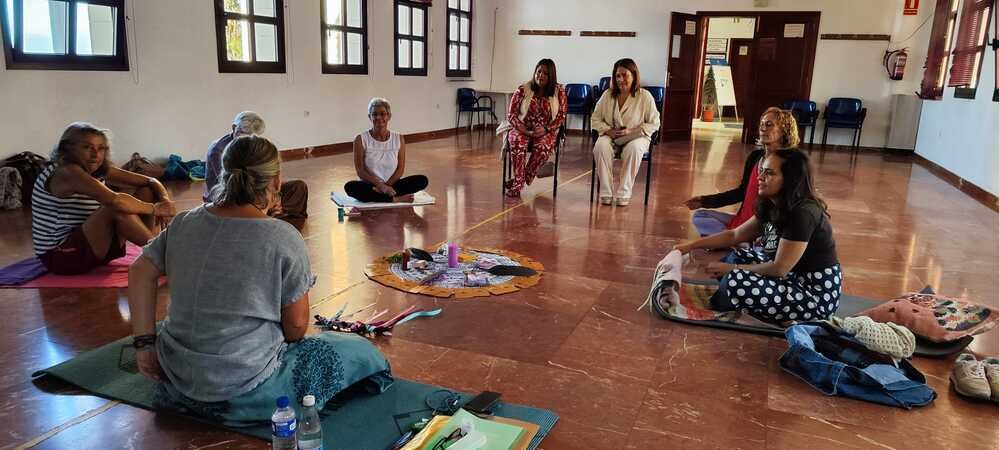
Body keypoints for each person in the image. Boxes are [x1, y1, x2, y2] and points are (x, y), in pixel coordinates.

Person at [129, 135, 392, 425]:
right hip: (246, 388)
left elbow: (140, 270)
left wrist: (145, 345)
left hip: (175, 380)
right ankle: (235, 406)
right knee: (360, 353)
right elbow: (294, 329)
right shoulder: (282, 236)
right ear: (276, 180)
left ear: (222, 173)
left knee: (173, 327)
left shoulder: (185, 221)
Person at [672, 150, 840, 325]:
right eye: (762, 170)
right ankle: (752, 306)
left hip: (813, 295)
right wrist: (689, 246)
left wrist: (733, 269)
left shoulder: (803, 213)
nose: (760, 177)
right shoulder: (771, 204)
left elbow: (779, 269)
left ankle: (791, 317)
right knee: (737, 257)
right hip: (788, 279)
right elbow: (734, 235)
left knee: (736, 280)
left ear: (790, 179)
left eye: (769, 173)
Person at [31, 122, 175, 275]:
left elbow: (150, 181)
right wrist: (155, 209)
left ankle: (155, 250)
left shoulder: (96, 168)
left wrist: (164, 200)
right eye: (87, 147)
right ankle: (165, 255)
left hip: (92, 247)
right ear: (67, 149)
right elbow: (115, 201)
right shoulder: (67, 172)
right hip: (60, 257)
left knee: (146, 191)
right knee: (113, 207)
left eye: (100, 148)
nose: (95, 154)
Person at [685, 107, 800, 236]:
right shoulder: (755, 157)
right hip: (742, 220)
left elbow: (791, 201)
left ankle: (733, 239)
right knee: (701, 215)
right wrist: (705, 201)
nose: (762, 128)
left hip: (763, 224)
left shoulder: (791, 161)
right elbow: (741, 192)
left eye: (769, 125)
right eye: (761, 124)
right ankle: (736, 240)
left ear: (784, 131)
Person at [204, 111, 308, 218]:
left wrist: (274, 195)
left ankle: (273, 213)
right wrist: (269, 198)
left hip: (255, 189)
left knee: (298, 187)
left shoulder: (251, 146)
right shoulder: (218, 150)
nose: (245, 138)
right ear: (233, 127)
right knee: (253, 200)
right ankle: (270, 214)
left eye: (250, 136)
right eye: (241, 133)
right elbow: (231, 187)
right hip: (231, 196)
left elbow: (263, 176)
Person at [590, 58, 660, 206]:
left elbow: (655, 122)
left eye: (625, 75)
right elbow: (595, 118)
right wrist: (608, 131)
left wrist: (631, 130)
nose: (621, 79)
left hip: (636, 137)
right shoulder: (608, 95)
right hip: (611, 135)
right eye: (617, 76)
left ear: (634, 76)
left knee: (634, 149)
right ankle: (606, 192)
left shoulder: (645, 96)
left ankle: (624, 192)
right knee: (600, 147)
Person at [503, 58, 567, 197]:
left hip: (545, 130)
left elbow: (561, 116)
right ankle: (519, 182)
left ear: (551, 76)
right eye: (539, 72)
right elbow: (511, 115)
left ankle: (522, 179)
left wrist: (546, 129)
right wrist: (524, 130)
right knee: (517, 141)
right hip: (522, 128)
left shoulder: (559, 91)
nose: (541, 75)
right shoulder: (522, 89)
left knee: (544, 146)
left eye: (545, 73)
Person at [344, 98, 429, 203]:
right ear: (369, 117)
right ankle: (395, 199)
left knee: (422, 180)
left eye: (382, 114)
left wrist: (386, 186)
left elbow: (400, 169)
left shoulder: (399, 138)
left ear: (389, 116)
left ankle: (381, 196)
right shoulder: (360, 139)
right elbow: (360, 171)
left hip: (392, 184)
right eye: (374, 114)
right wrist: (380, 186)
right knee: (350, 187)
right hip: (371, 185)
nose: (378, 117)